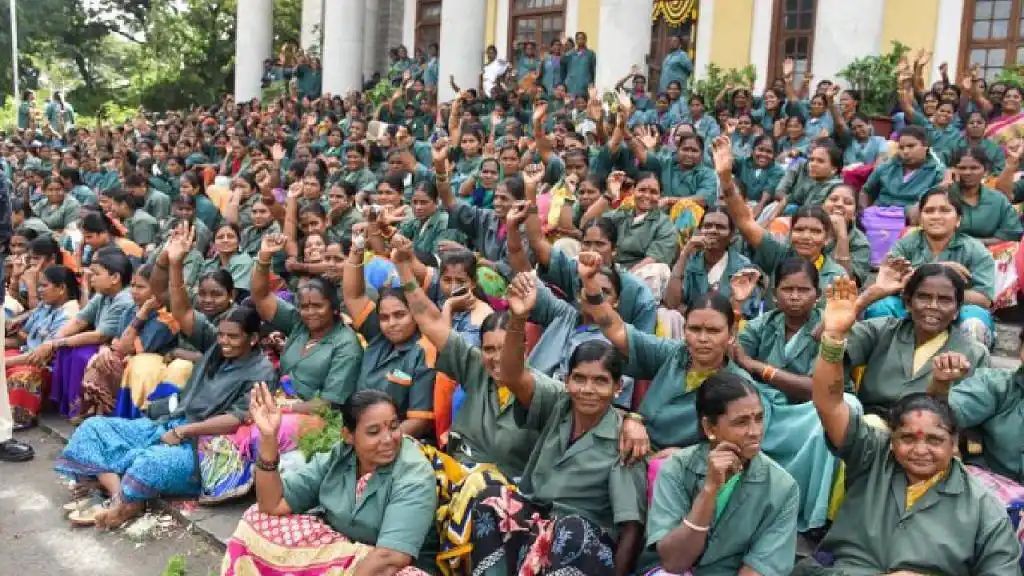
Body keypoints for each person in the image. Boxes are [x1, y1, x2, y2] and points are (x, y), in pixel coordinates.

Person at [795, 277, 1021, 575]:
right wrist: (834, 336)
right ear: (891, 439)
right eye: (908, 439)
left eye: (934, 440)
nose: (920, 450)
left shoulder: (982, 506)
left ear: (954, 443)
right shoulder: (872, 457)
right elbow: (829, 403)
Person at [467, 271, 645, 576]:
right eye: (580, 379)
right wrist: (517, 319)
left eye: (600, 381)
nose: (588, 389)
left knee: (570, 529)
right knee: (490, 499)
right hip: (538, 523)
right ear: (567, 380)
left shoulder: (625, 438)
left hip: (585, 542)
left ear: (618, 387)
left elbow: (631, 527)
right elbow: (512, 376)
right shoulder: (560, 403)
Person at [54, 305, 275, 528]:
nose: (224, 341)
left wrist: (183, 431)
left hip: (204, 445)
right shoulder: (216, 350)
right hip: (171, 423)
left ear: (253, 339)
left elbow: (237, 419)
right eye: (221, 334)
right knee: (93, 427)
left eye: (233, 336)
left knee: (150, 461)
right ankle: (120, 497)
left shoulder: (262, 372)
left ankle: (120, 497)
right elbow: (183, 309)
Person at [221, 388, 436, 575]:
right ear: (348, 436)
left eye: (394, 426)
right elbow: (273, 504)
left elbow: (390, 558)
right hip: (342, 551)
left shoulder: (414, 475)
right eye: (374, 432)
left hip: (387, 566)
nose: (388, 439)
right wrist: (269, 438)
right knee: (256, 519)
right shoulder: (341, 455)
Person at [642, 373, 799, 575]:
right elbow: (674, 562)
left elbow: (759, 569)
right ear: (709, 427)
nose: (755, 431)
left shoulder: (782, 487)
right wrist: (710, 490)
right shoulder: (677, 468)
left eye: (759, 418)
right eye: (741, 422)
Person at [866, 188, 996, 347]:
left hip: (957, 310)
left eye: (945, 210)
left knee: (974, 322)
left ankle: (966, 362)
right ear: (920, 218)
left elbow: (983, 298)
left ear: (958, 219)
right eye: (929, 211)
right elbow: (889, 283)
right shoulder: (905, 245)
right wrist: (936, 269)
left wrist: (944, 299)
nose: (936, 216)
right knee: (881, 308)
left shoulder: (975, 250)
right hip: (912, 308)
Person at [28, 247, 135, 420]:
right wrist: (53, 341)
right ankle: (66, 406)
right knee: (65, 350)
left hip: (117, 348)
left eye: (96, 274)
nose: (91, 278)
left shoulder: (124, 299)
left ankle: (84, 409)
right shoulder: (102, 295)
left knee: (80, 355)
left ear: (115, 278)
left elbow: (100, 335)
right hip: (104, 343)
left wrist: (54, 343)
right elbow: (79, 321)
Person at [5, 265, 80, 429]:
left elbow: (41, 356)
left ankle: (17, 418)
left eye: (44, 285)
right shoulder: (46, 306)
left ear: (61, 288)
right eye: (39, 285)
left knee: (22, 377)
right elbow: (25, 339)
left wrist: (5, 362)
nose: (39, 290)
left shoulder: (70, 314)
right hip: (26, 355)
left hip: (46, 368)